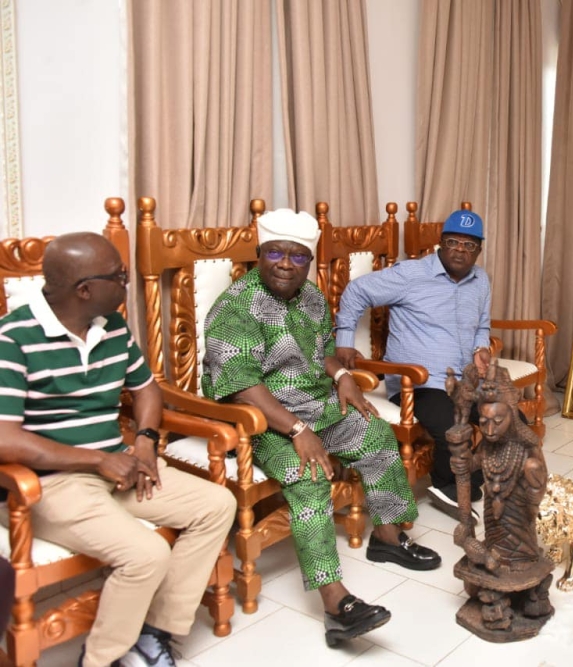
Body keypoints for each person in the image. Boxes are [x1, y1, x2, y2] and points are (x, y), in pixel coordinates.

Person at [201, 209, 441, 648]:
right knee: (310, 478)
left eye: (298, 256)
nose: (286, 263)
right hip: (259, 423)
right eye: (276, 252)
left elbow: (323, 353)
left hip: (316, 406)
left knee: (377, 438)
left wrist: (343, 377)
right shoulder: (234, 307)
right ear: (259, 254)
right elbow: (242, 387)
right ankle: (336, 604)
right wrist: (297, 430)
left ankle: (387, 536)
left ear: (309, 262)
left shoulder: (311, 296)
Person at [0, 233, 237, 667]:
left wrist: (145, 441)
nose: (126, 282)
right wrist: (97, 459)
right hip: (51, 484)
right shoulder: (13, 339)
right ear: (84, 290)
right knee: (146, 554)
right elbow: (5, 439)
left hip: (120, 467)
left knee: (217, 504)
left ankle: (154, 633)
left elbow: (146, 390)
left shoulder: (111, 327)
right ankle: (99, 659)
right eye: (119, 276)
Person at [335, 209, 492, 523]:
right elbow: (356, 291)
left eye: (469, 245)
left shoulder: (481, 280)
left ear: (479, 250)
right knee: (455, 428)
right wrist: (344, 339)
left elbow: (482, 325)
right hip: (418, 384)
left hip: (464, 379)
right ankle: (448, 487)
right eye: (453, 242)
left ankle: (470, 478)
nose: (460, 250)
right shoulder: (410, 275)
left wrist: (481, 348)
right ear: (440, 244)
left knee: (512, 420)